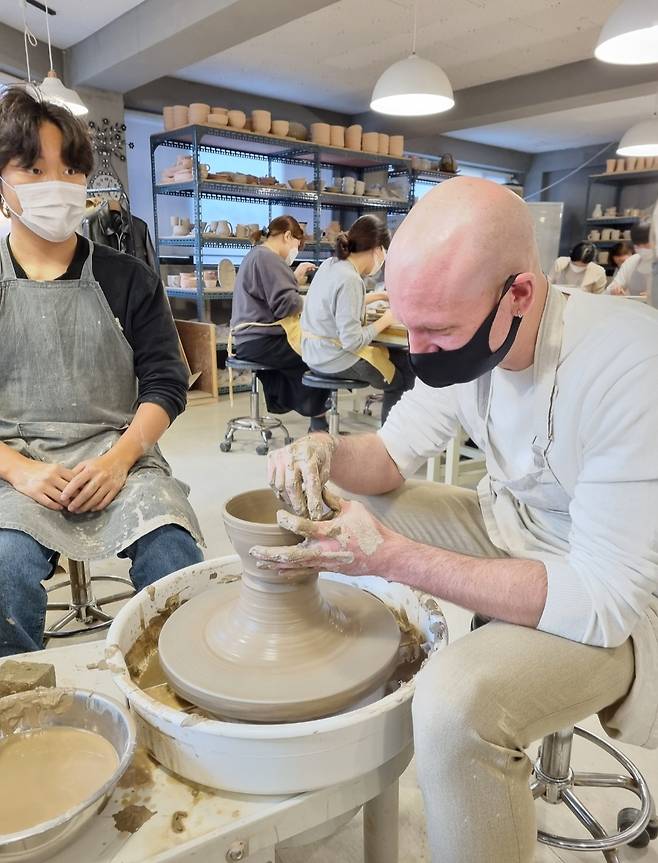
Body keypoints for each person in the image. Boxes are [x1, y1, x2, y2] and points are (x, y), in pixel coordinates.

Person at [259, 178, 658, 863]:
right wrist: (325, 450)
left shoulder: (630, 364)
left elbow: (604, 598)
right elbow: (384, 459)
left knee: (452, 705)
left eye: (437, 330)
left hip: (625, 594)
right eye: (411, 326)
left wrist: (392, 559)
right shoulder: (465, 341)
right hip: (514, 522)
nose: (418, 349)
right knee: (350, 503)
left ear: (520, 295)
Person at [0, 87, 203, 657]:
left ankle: (172, 700)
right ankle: (28, 715)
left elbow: (166, 380)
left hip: (120, 453)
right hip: (15, 464)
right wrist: (20, 473)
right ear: (2, 186)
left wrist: (120, 460)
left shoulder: (127, 276)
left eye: (69, 168)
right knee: (3, 575)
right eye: (34, 168)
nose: (57, 184)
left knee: (176, 562)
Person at [301, 215, 414, 424]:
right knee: (405, 371)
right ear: (377, 249)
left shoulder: (331, 264)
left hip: (313, 352)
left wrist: (380, 296)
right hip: (333, 357)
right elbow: (351, 341)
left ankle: (317, 427)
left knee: (397, 356)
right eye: (384, 253)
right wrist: (387, 319)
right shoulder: (350, 279)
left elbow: (338, 304)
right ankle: (390, 445)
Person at [230, 215, 328, 431]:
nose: (296, 251)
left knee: (308, 354)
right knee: (318, 355)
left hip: (249, 340)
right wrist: (311, 302)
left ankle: (313, 414)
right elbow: (285, 305)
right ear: (286, 236)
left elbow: (270, 293)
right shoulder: (269, 258)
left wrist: (292, 278)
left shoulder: (257, 254)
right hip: (260, 340)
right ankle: (319, 423)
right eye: (296, 244)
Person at [608, 221, 654, 297]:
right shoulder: (631, 262)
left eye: (646, 245)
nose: (642, 249)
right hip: (636, 306)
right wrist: (614, 289)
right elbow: (614, 286)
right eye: (638, 246)